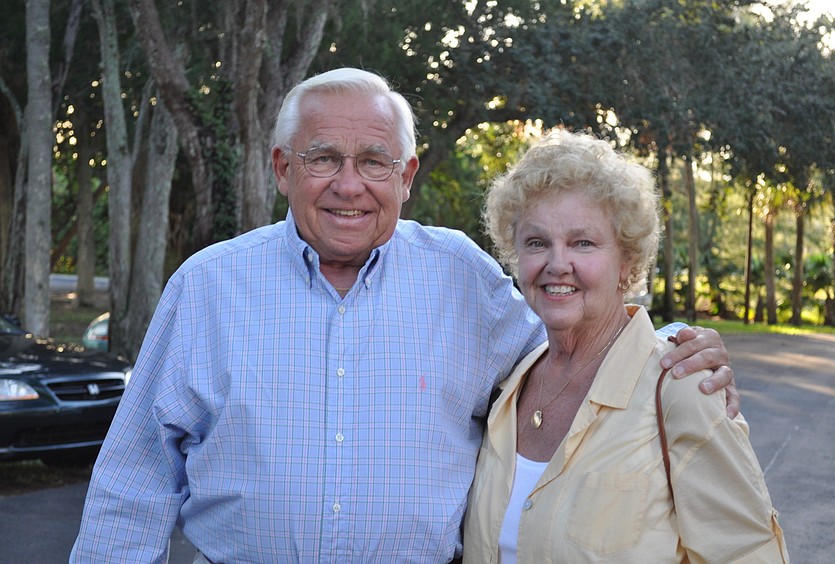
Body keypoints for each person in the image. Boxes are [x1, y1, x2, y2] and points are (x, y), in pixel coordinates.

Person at [71, 68, 735, 563]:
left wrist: (671, 347)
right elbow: (134, 483)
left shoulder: (461, 275)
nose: (349, 184)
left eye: (373, 162)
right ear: (282, 168)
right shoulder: (208, 287)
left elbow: (572, 347)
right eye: (323, 158)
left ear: (407, 175)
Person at [462, 129, 788, 562]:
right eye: (537, 243)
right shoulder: (508, 385)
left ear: (627, 262)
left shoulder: (682, 385)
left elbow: (747, 552)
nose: (557, 264)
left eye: (583, 243)